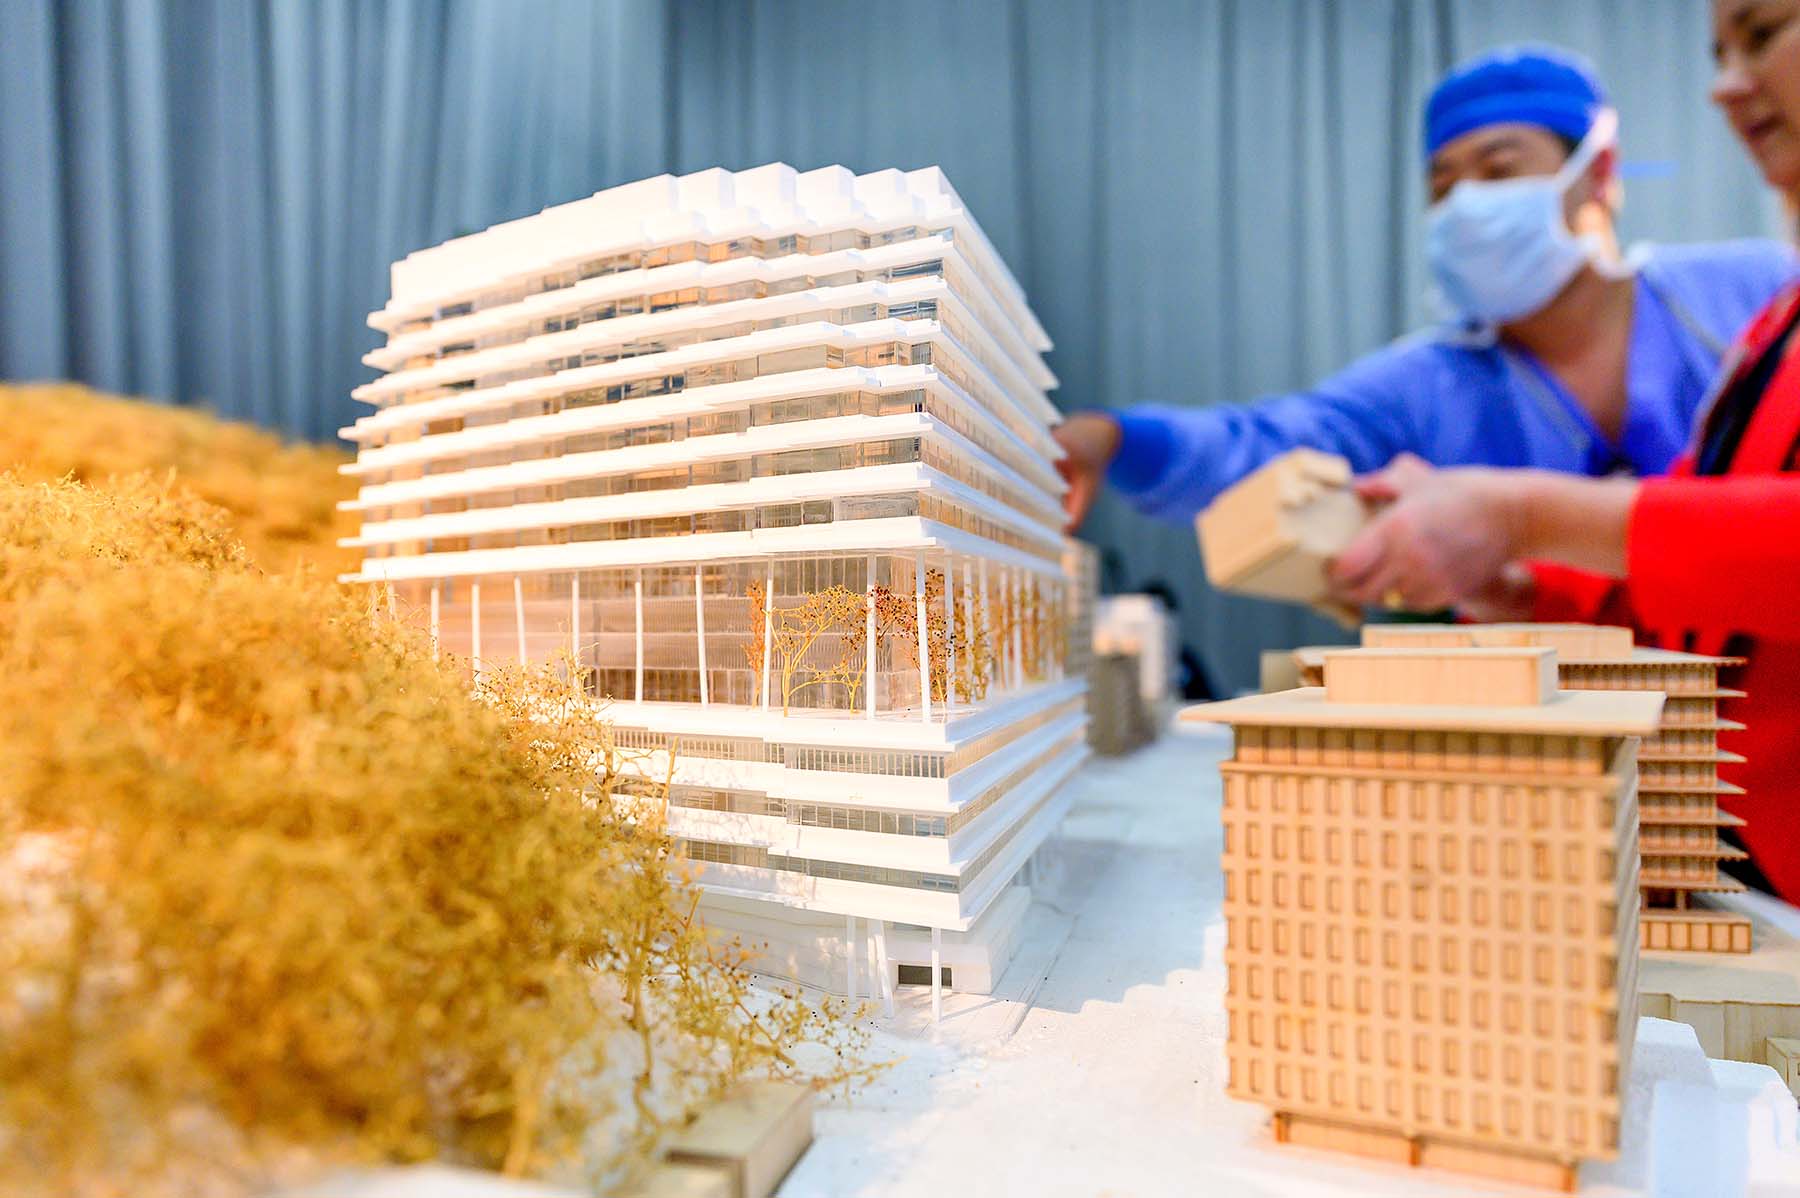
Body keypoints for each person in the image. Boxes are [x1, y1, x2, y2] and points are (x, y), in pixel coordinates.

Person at [1328, 0, 1800, 902]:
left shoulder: (1730, 302)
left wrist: (1524, 513)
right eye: (1719, 50)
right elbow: (1704, 595)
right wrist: (1518, 587)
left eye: (1765, 31)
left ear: (1599, 177)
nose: (1726, 85)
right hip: (1750, 876)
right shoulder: (1776, 329)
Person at [1056, 44, 1799, 532]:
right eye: (1442, 187)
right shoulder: (1431, 384)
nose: (1467, 204)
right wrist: (1111, 438)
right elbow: (1266, 448)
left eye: (1500, 170)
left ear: (1598, 176)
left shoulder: (1753, 297)